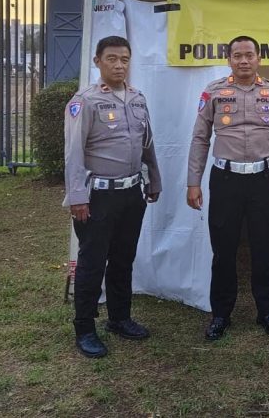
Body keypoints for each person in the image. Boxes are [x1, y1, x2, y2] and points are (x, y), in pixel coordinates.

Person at [187, 35, 269, 341]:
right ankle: (221, 314)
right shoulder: (214, 92)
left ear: (259, 58)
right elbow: (200, 138)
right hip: (225, 180)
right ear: (229, 59)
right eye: (238, 55)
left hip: (264, 180)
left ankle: (267, 312)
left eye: (249, 55)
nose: (244, 60)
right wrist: (193, 181)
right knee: (223, 251)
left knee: (264, 249)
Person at [64, 36, 162, 359]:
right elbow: (74, 153)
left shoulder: (136, 98)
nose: (119, 65)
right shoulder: (86, 101)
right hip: (97, 198)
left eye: (124, 59)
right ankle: (85, 328)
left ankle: (120, 318)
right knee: (92, 263)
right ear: (97, 62)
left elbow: (147, 143)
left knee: (123, 259)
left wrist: (154, 179)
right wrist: (77, 197)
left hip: (131, 193)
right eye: (111, 59)